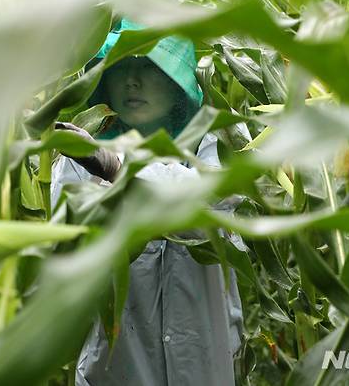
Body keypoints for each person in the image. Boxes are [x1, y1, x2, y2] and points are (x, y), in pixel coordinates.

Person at [50, 19, 249, 386]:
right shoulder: (80, 154)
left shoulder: (217, 141)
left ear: (178, 84)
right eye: (121, 66)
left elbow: (211, 210)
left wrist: (118, 169)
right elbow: (68, 249)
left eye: (148, 67)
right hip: (114, 367)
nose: (132, 80)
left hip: (204, 364)